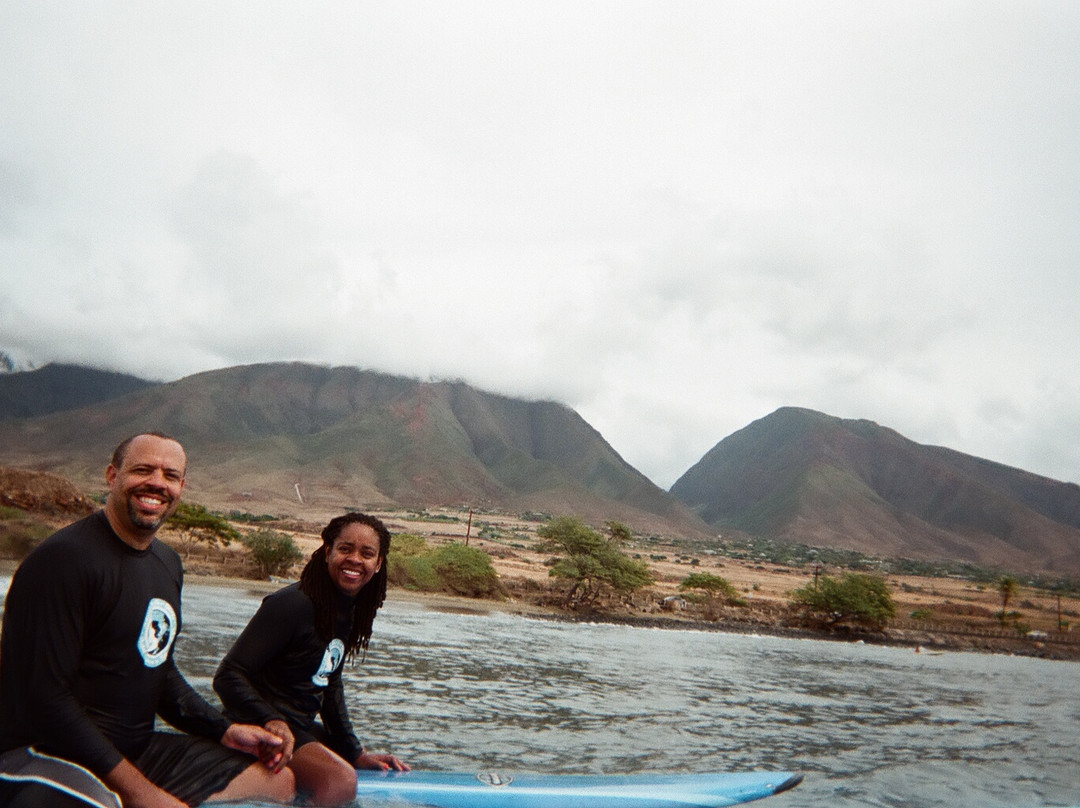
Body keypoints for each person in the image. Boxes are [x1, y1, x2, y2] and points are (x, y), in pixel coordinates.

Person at [0, 432, 297, 808]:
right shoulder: (63, 561)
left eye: (169, 475)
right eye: (142, 470)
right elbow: (43, 699)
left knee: (277, 782)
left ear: (181, 487)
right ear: (112, 476)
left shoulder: (167, 564)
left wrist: (225, 731)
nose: (157, 483)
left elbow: (159, 669)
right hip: (41, 753)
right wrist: (143, 794)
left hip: (133, 749)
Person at [214, 512, 409, 807]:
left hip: (297, 726)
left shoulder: (349, 611)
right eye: (345, 549)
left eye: (367, 553)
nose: (355, 559)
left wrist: (353, 752)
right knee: (340, 780)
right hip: (257, 722)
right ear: (328, 551)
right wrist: (271, 719)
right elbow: (228, 675)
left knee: (347, 765)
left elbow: (329, 686)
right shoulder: (292, 604)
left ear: (378, 563)